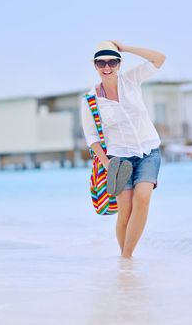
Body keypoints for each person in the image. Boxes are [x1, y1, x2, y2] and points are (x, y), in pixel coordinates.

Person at [81, 40, 165, 258]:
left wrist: (125, 48)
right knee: (125, 212)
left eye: (112, 62)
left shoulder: (131, 79)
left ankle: (126, 258)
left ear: (119, 64)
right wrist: (108, 163)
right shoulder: (90, 99)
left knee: (143, 198)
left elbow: (159, 58)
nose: (107, 67)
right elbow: (91, 137)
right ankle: (126, 260)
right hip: (119, 160)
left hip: (149, 151)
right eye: (101, 63)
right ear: (95, 65)